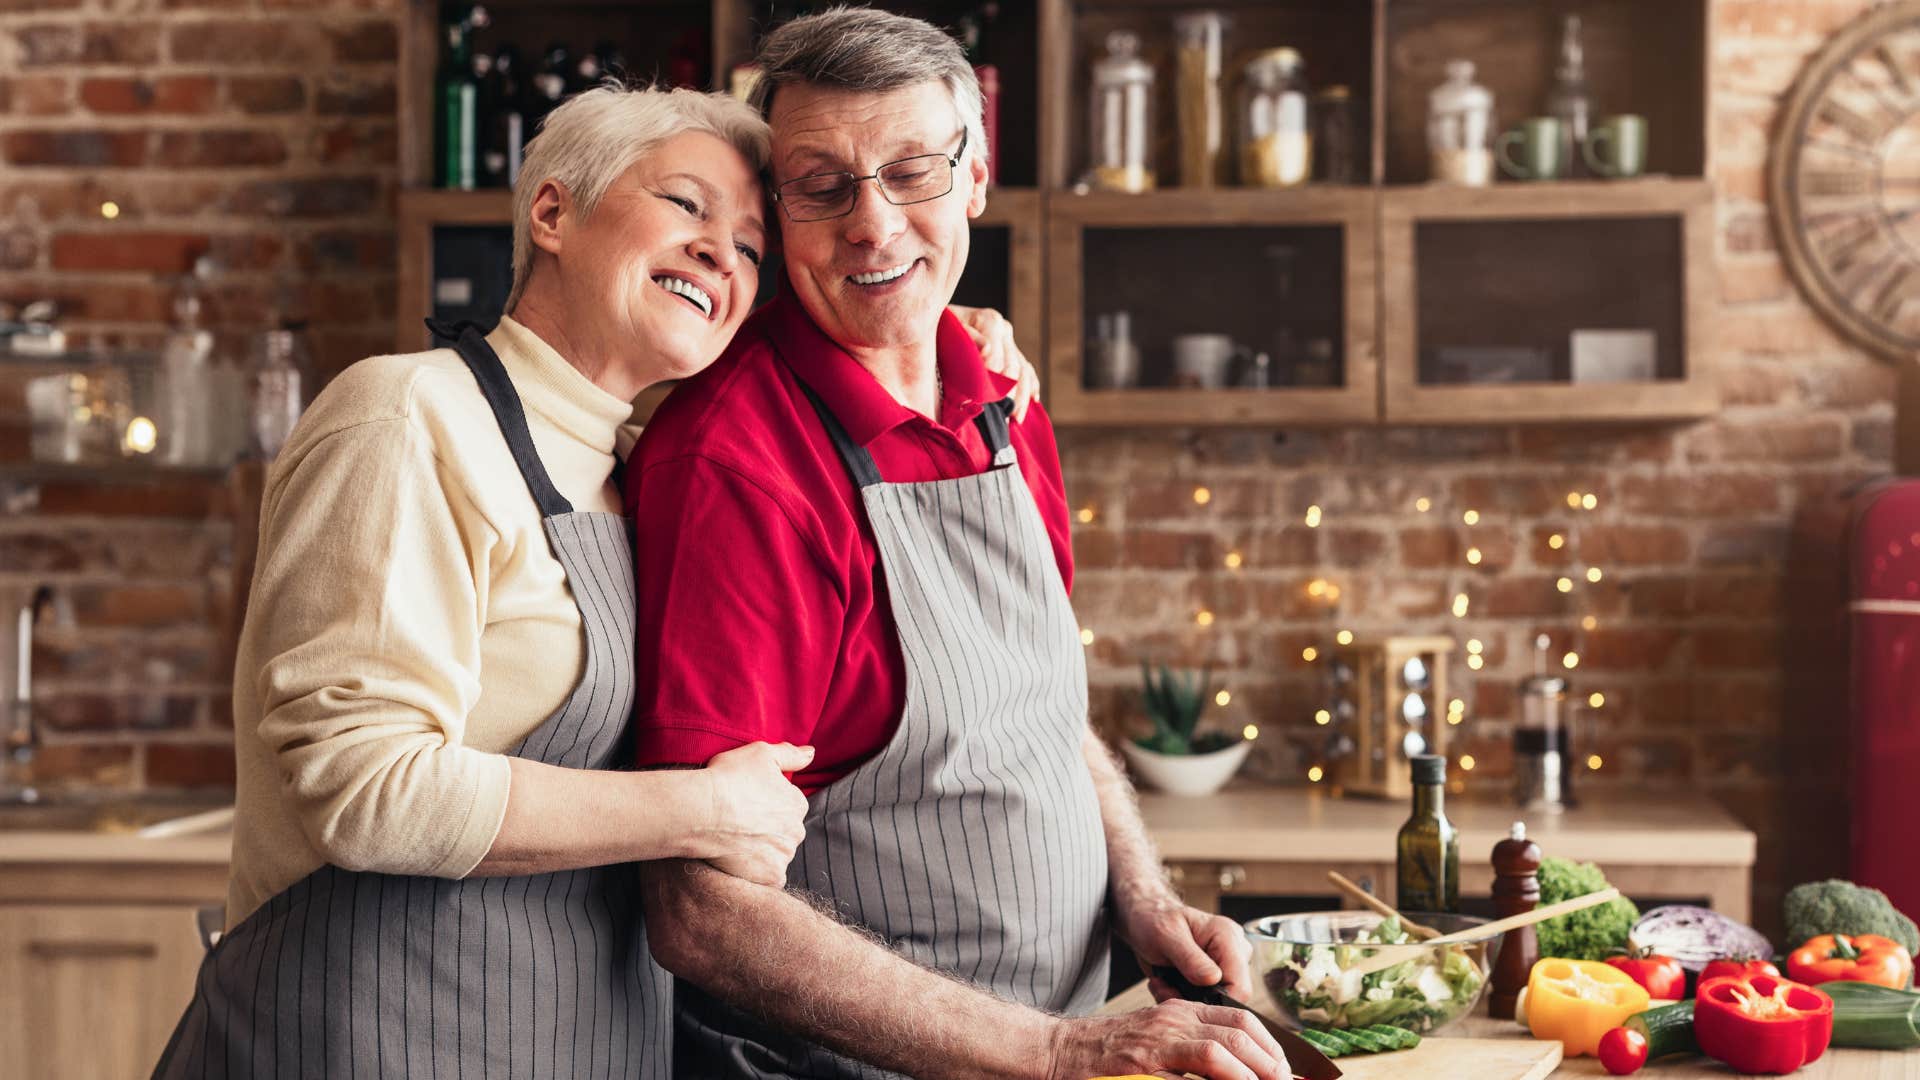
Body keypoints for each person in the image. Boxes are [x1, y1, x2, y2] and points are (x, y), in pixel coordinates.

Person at [628, 9, 1290, 1080]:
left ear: (976, 178)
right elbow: (701, 912)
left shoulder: (1003, 398)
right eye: (823, 185)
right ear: (776, 211)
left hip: (1077, 1035)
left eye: (912, 172)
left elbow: (1046, 713)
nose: (874, 228)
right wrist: (1060, 1050)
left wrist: (1146, 898)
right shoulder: (737, 465)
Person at [156, 86, 810, 1079]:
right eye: (688, 205)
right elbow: (367, 788)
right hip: (370, 1040)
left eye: (753, 248)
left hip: (570, 1041)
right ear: (551, 214)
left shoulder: (640, 469)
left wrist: (955, 328)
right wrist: (705, 811)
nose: (725, 252)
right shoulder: (407, 418)